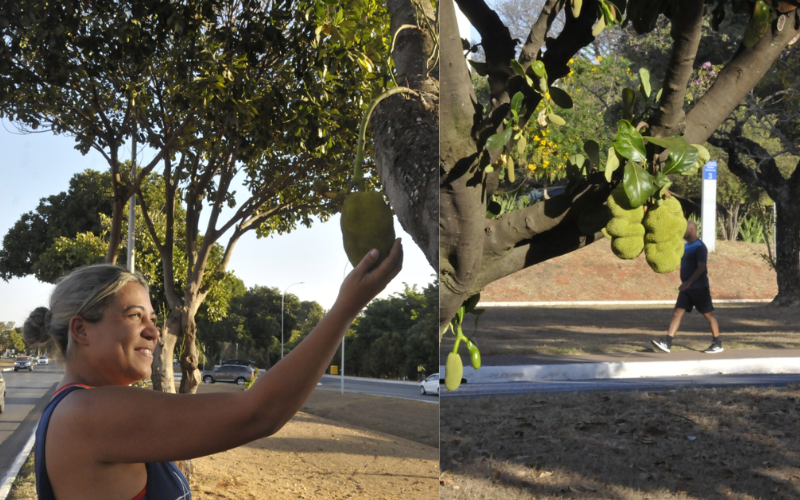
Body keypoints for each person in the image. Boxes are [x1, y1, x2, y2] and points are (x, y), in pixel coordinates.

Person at [24, 240, 403, 500]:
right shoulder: (86, 415)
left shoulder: (86, 408)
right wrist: (346, 308)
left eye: (153, 317)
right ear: (81, 330)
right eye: (134, 316)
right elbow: (258, 413)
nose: (154, 331)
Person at [651, 220, 723, 354]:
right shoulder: (684, 246)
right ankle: (667, 342)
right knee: (677, 313)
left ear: (691, 230)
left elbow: (701, 268)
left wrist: (688, 282)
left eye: (684, 229)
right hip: (687, 288)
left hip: (698, 287)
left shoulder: (700, 247)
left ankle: (717, 343)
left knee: (708, 315)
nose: (682, 232)